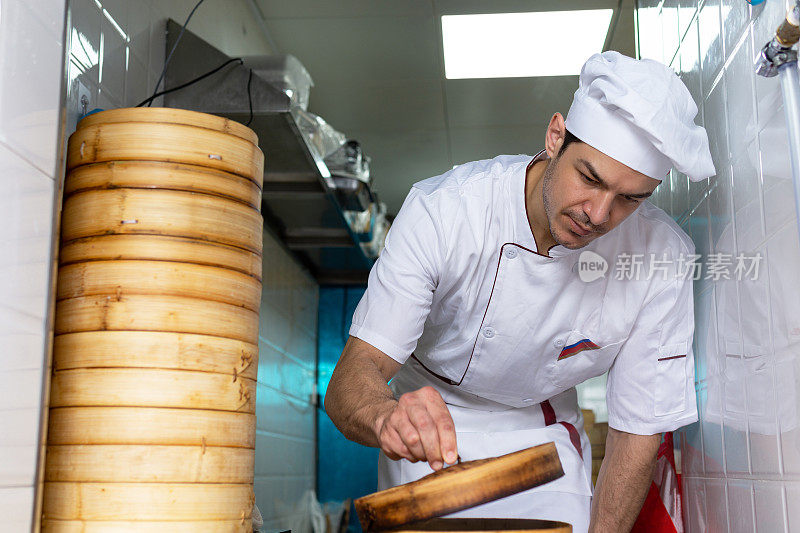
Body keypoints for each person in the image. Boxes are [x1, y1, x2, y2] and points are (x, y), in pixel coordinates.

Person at [324, 51, 715, 532]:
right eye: (589, 178)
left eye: (629, 198)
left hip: (541, 436)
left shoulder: (661, 258)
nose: (597, 213)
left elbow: (638, 429)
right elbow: (353, 377)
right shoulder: (445, 212)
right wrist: (388, 420)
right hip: (429, 427)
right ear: (555, 137)